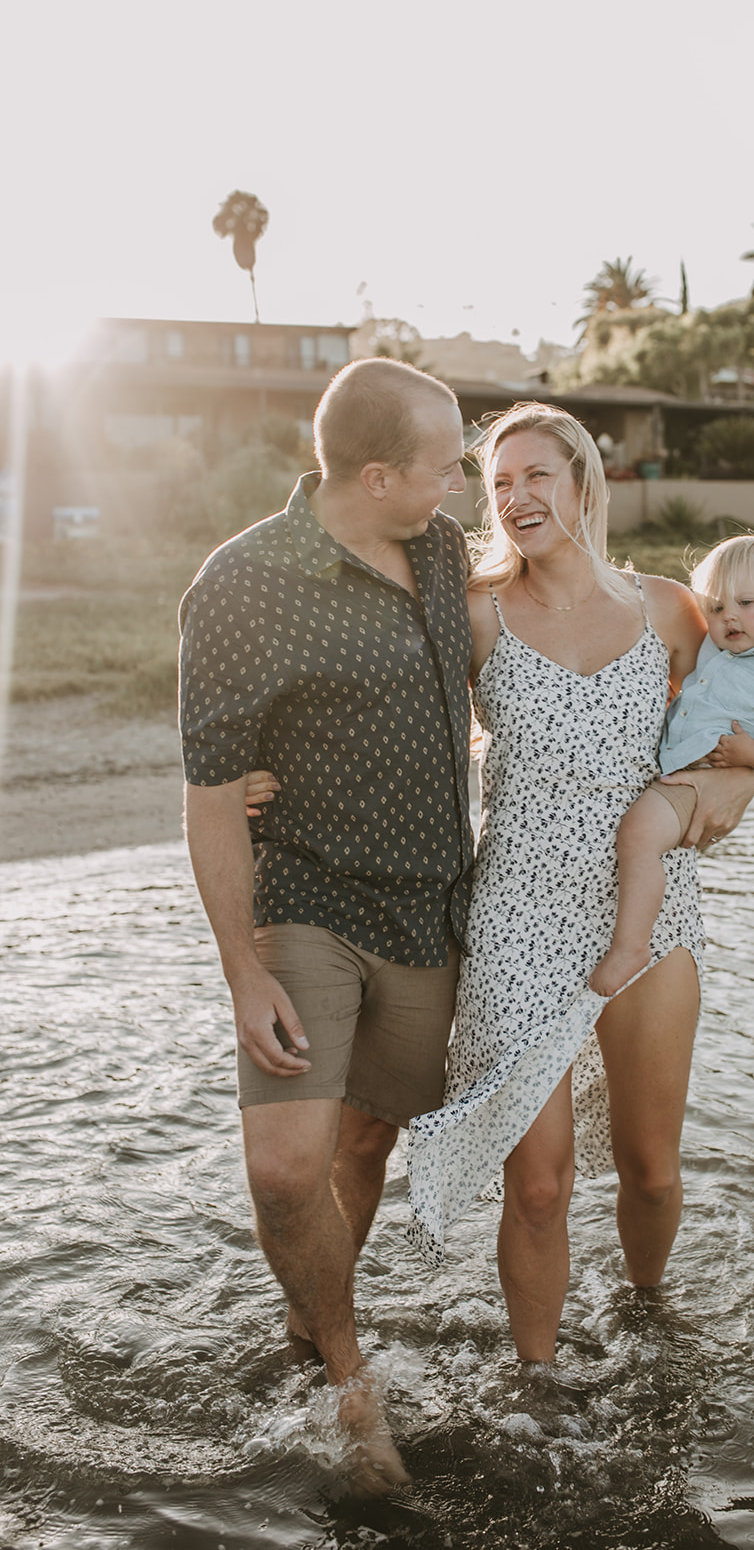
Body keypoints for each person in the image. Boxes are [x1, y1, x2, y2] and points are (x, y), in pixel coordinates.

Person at [404, 403, 754, 1364]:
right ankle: (537, 1389)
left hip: (652, 909)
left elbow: (743, 714)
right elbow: (394, 714)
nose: (515, 497)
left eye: (534, 476)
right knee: (541, 1185)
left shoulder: (667, 610)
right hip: (517, 910)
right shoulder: (477, 612)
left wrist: (736, 777)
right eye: (500, 483)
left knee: (648, 1168)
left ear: (582, 481)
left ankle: (648, 1316)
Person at [178, 358, 474, 1494]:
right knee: (284, 1167)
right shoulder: (243, 582)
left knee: (364, 1144)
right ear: (377, 472)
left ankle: (305, 1329)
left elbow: (578, 622)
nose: (459, 484)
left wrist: (732, 746)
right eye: (445, 466)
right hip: (303, 902)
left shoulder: (443, 556)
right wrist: (241, 971)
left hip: (427, 914)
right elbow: (210, 797)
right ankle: (351, 1380)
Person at [590, 531, 754, 997]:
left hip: (703, 778)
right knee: (638, 840)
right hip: (677, 773)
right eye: (716, 608)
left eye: (745, 602)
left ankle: (631, 946)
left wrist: (749, 758)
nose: (729, 617)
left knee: (637, 837)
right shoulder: (719, 651)